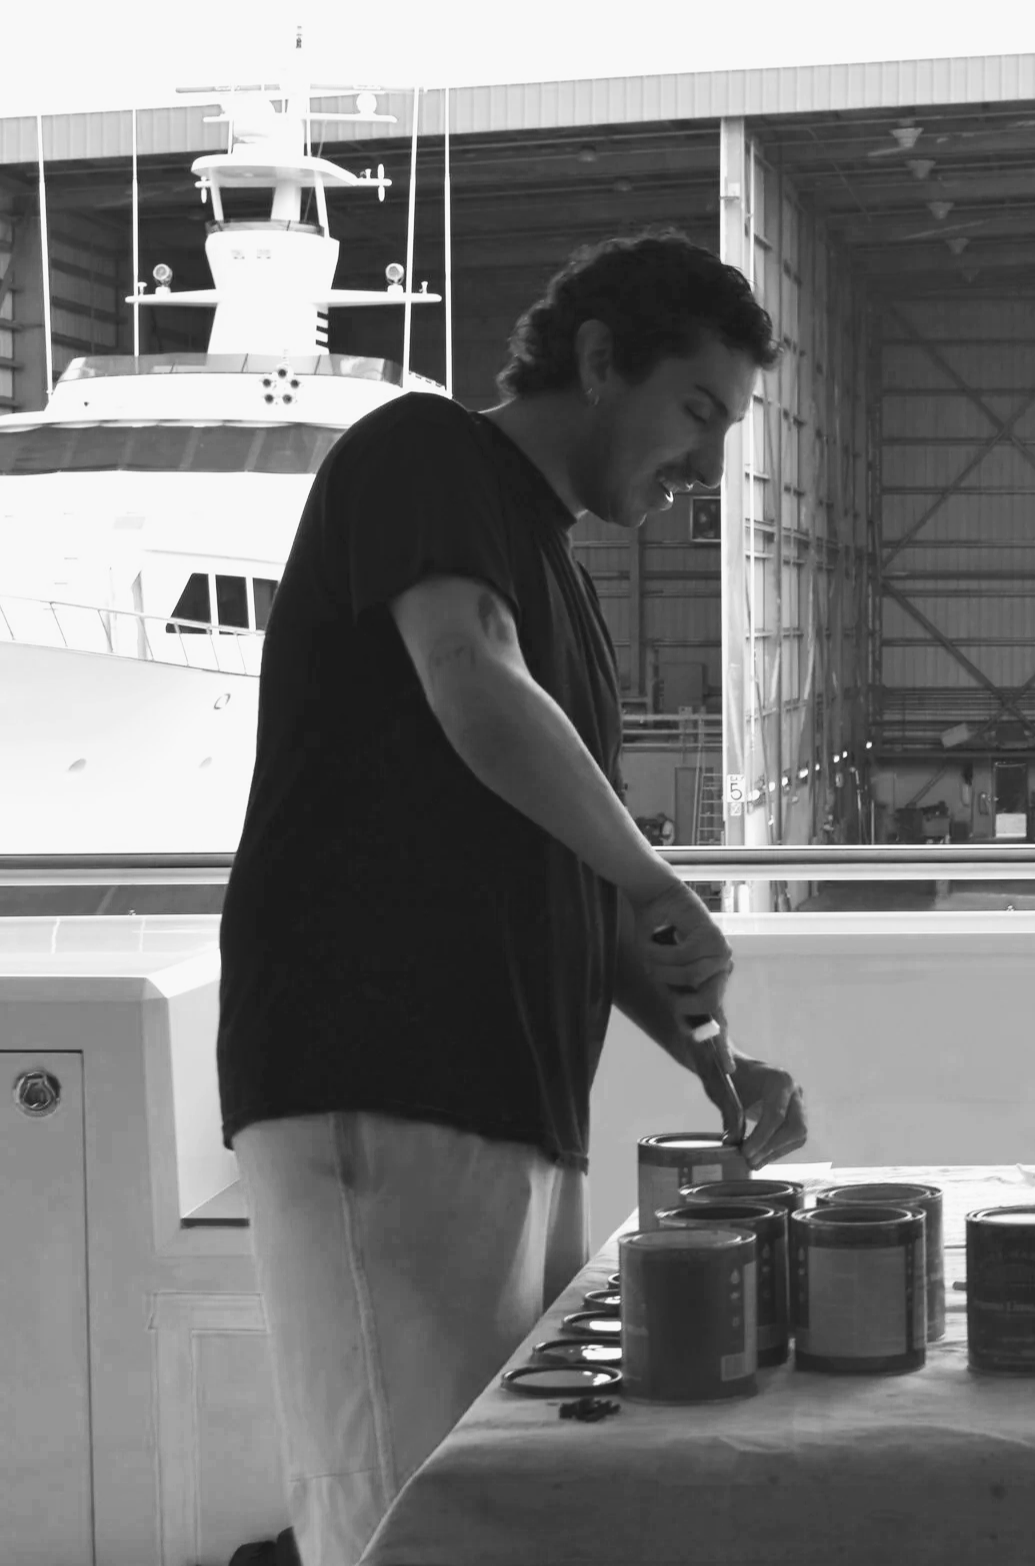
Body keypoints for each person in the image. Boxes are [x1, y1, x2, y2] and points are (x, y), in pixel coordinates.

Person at [216, 232, 810, 1566]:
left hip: (509, 1108)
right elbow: (468, 679)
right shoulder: (425, 455)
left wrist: (715, 1060)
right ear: (601, 363)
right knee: (403, 1517)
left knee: (496, 1511)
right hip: (378, 1076)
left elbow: (571, 884)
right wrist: (655, 872)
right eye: (697, 414)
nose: (706, 470)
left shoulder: (565, 592)